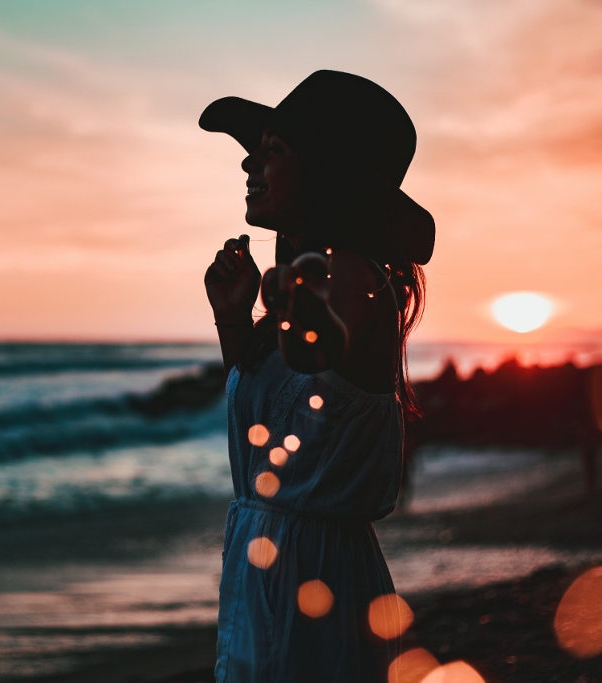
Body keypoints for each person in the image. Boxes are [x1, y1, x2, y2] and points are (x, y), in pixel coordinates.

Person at [200, 71, 435, 681]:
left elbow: (319, 352)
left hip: (312, 579)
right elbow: (279, 429)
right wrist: (234, 321)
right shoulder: (314, 283)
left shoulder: (352, 280)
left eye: (273, 150)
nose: (250, 165)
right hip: (271, 561)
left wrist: (296, 314)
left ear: (327, 174)